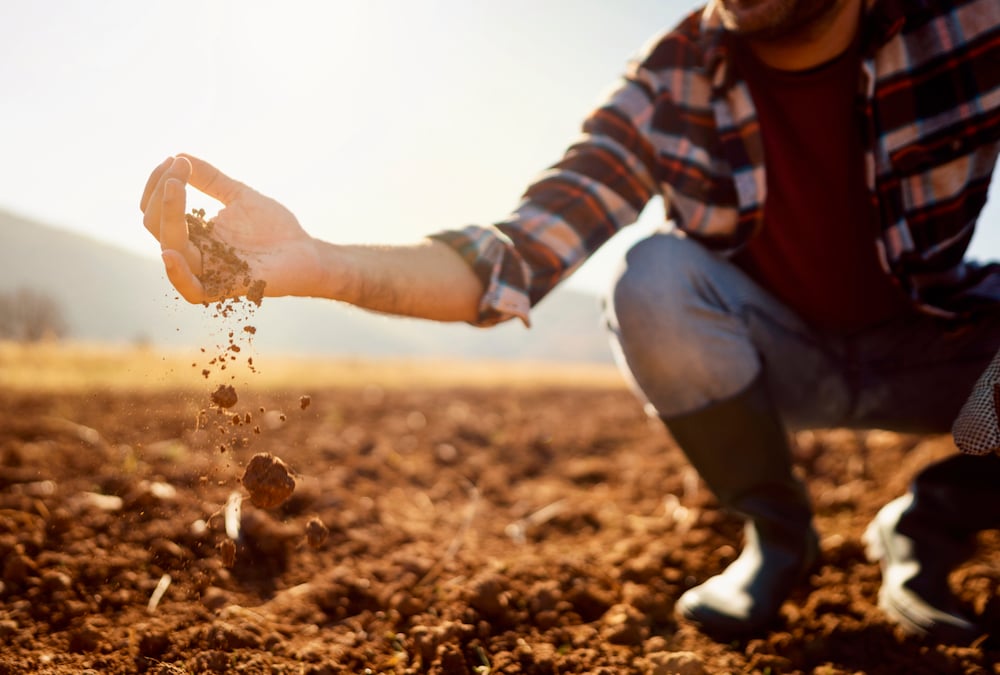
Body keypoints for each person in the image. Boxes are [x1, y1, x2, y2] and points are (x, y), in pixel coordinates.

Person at [141, 0, 1000, 643]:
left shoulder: (965, 23)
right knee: (653, 279)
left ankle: (931, 523)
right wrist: (324, 261)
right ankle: (778, 538)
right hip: (774, 360)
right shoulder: (671, 79)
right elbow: (521, 252)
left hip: (941, 349)